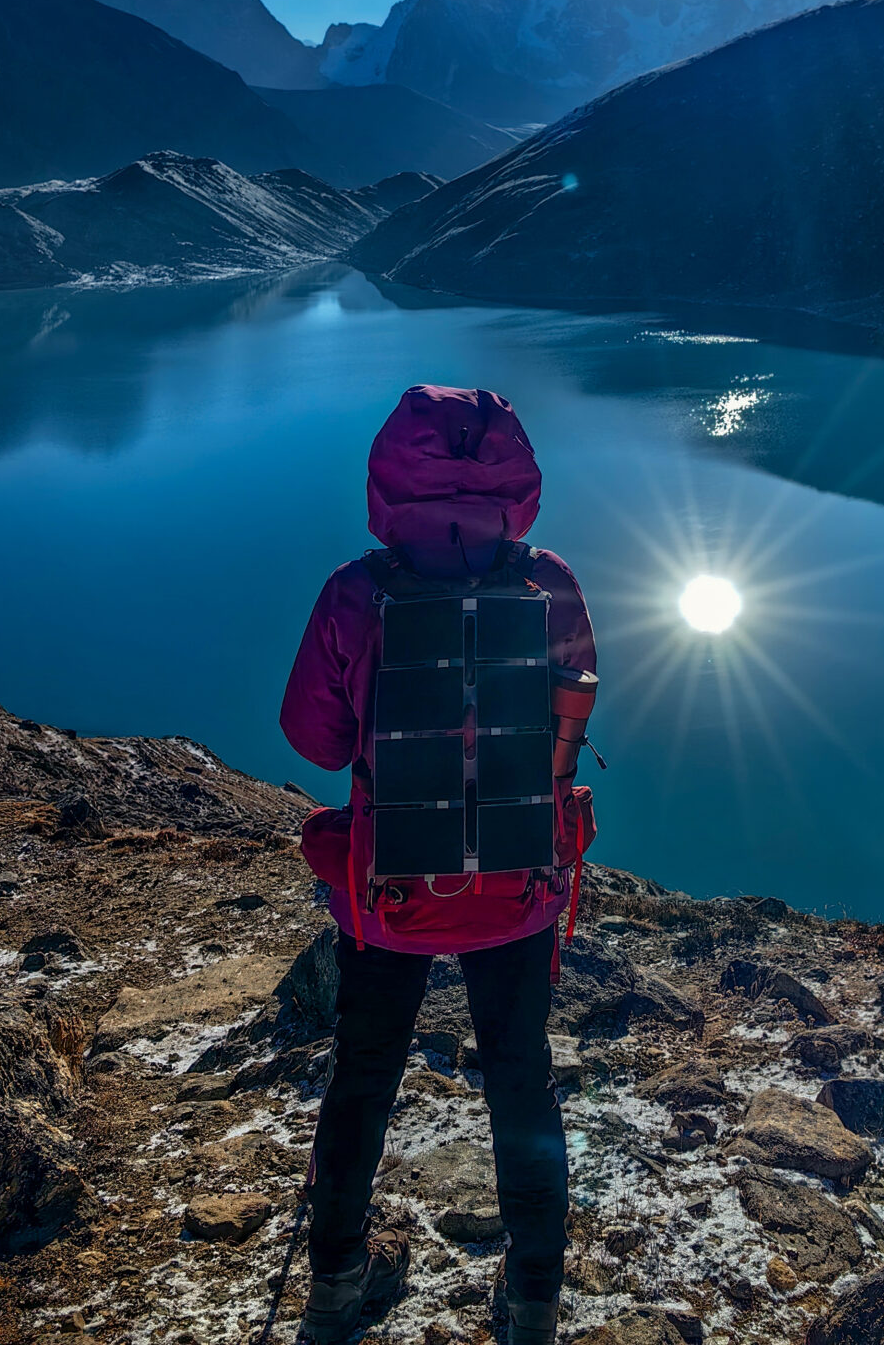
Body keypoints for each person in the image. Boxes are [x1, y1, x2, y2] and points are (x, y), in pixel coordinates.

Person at [280, 385, 597, 1345]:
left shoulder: (355, 592)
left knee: (364, 1073)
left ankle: (335, 1286)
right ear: (518, 477)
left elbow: (315, 741)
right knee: (520, 1075)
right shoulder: (550, 583)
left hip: (389, 894)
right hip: (519, 885)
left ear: (388, 476)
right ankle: (534, 1298)